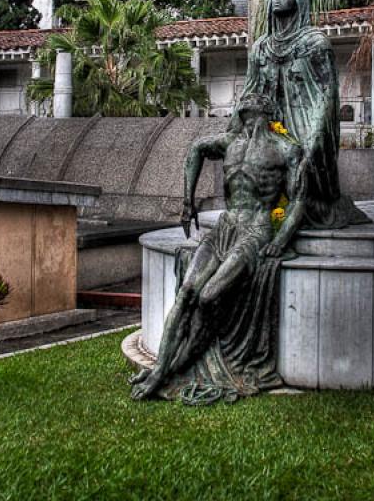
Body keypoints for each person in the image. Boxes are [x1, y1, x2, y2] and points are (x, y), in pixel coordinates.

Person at [131, 94, 306, 401]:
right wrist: (187, 202)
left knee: (209, 295)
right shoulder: (231, 143)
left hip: (254, 229)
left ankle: (178, 363)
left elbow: (299, 201)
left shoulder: (285, 149)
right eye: (243, 111)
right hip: (226, 226)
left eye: (251, 111)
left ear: (266, 112)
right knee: (187, 292)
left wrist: (281, 240)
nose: (245, 116)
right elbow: (196, 149)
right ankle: (161, 370)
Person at [237, 0, 369, 228]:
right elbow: (249, 91)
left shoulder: (315, 43)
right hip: (272, 120)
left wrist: (315, 134)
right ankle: (268, 214)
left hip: (307, 119)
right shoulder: (261, 48)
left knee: (304, 165)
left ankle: (301, 210)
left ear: (299, 1)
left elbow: (326, 93)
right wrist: (235, 129)